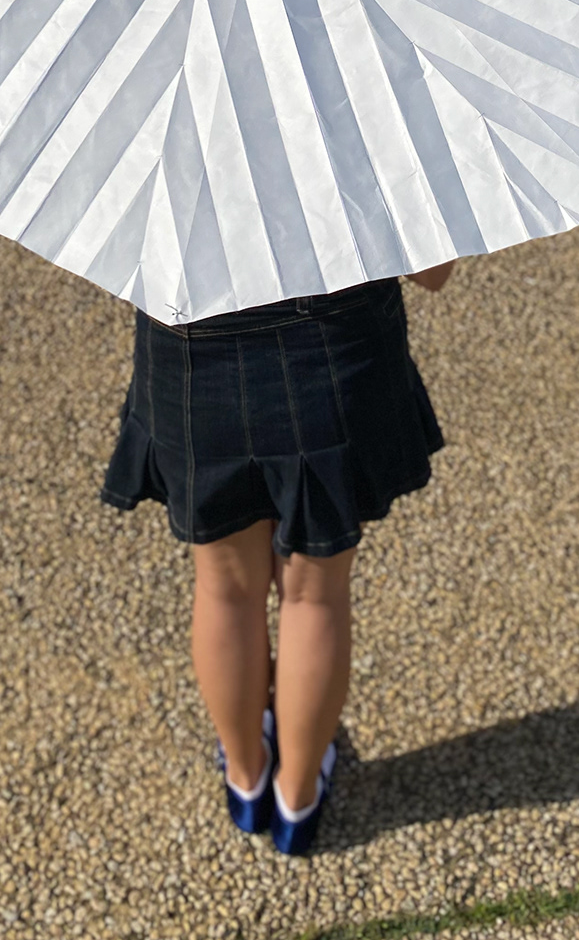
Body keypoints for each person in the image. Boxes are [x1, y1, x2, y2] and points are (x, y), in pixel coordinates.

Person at [101, 260, 455, 855]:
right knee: (315, 594)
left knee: (224, 589)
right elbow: (434, 270)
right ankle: (296, 798)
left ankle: (246, 778)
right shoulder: (356, 153)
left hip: (192, 353)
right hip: (334, 347)